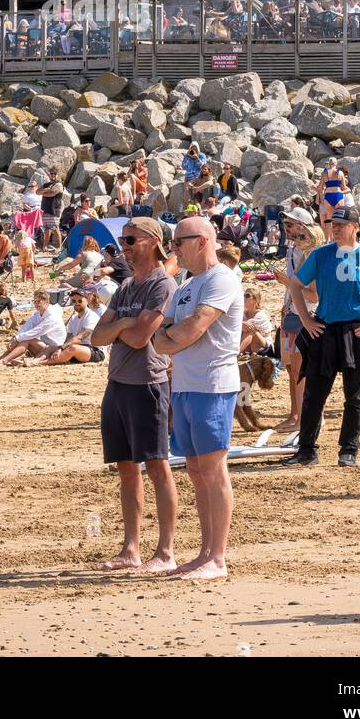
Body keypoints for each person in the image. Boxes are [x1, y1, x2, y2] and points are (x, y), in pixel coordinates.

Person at [151, 218, 243, 580]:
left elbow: (192, 329)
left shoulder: (221, 279)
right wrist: (175, 335)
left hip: (213, 384)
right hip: (186, 385)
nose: (173, 249)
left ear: (202, 241)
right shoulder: (187, 285)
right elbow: (159, 338)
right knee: (194, 469)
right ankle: (205, 551)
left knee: (213, 469)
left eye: (179, 242)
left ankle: (217, 557)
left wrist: (174, 335)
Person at [91, 218, 178, 574]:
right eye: (122, 239)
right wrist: (127, 325)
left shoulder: (163, 285)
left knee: (157, 466)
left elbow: (142, 338)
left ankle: (166, 550)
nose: (123, 245)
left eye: (129, 239)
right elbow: (97, 336)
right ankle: (130, 548)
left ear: (152, 242)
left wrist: (123, 328)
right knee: (126, 469)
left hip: (148, 383)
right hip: (118, 382)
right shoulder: (127, 285)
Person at [285, 206, 360, 467]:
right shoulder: (320, 255)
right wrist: (305, 319)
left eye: (341, 224)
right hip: (324, 329)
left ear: (355, 227)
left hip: (357, 330)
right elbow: (295, 284)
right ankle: (307, 450)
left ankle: (348, 450)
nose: (335, 228)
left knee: (355, 395)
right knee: (314, 394)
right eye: (332, 223)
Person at [274, 211, 323, 433]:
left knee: (301, 370)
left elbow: (313, 296)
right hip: (297, 314)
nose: (298, 239)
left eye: (303, 236)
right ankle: (300, 417)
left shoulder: (311, 259)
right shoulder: (301, 256)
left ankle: (305, 418)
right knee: (296, 369)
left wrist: (291, 285)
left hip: (306, 317)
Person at [28, 287, 105, 366]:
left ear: (87, 301)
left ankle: (40, 363)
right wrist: (59, 348)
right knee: (52, 347)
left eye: (80, 300)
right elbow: (69, 337)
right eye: (73, 301)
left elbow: (80, 337)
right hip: (80, 348)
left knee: (72, 348)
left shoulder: (91, 316)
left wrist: (61, 348)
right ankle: (35, 360)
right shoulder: (74, 318)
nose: (76, 303)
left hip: (95, 351)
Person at [0, 289, 65, 366]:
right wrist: (15, 338)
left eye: (39, 302)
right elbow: (26, 327)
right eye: (34, 302)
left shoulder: (52, 316)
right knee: (22, 338)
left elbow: (38, 331)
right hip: (44, 347)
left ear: (47, 302)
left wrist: (18, 338)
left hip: (55, 350)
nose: (36, 304)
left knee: (26, 339)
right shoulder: (38, 314)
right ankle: (0, 359)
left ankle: (4, 361)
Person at [316, 157, 348, 239]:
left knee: (330, 219)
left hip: (328, 196)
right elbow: (344, 187)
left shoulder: (324, 174)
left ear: (328, 164)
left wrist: (320, 196)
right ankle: (340, 238)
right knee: (340, 218)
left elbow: (320, 187)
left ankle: (331, 239)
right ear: (336, 164)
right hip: (338, 195)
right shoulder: (339, 173)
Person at [239, 285, 272, 354]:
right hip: (250, 345)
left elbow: (246, 327)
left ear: (255, 300)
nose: (244, 298)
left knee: (251, 330)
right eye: (244, 295)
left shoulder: (260, 315)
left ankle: (236, 353)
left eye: (247, 296)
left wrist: (241, 323)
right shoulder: (243, 313)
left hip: (264, 346)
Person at [39, 172, 63, 250]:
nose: (53, 175)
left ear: (57, 175)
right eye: (51, 174)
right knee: (46, 229)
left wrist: (43, 193)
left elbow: (52, 193)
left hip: (54, 210)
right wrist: (46, 190)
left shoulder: (59, 184)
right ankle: (44, 247)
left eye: (54, 174)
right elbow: (37, 192)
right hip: (45, 209)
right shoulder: (46, 185)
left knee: (55, 229)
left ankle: (59, 247)